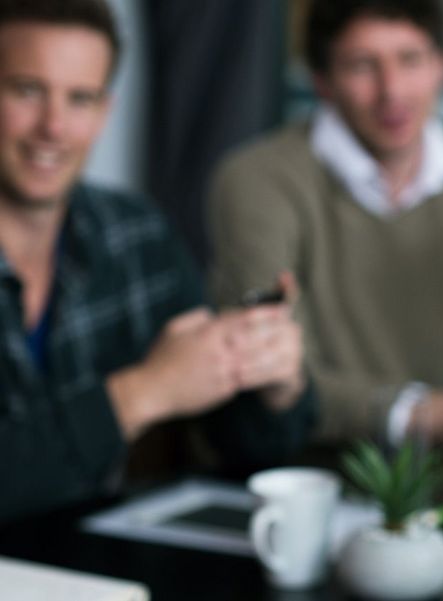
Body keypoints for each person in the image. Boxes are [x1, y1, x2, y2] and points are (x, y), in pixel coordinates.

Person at [207, 0, 443, 458]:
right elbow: (275, 375)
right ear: (322, 81)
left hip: (415, 473)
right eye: (362, 66)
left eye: (410, 59)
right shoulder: (258, 179)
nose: (392, 91)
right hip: (287, 469)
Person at [0, 0, 311, 523]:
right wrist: (143, 392)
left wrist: (272, 382)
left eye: (80, 98)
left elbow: (244, 448)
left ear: (105, 112)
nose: (53, 127)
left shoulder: (137, 235)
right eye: (27, 91)